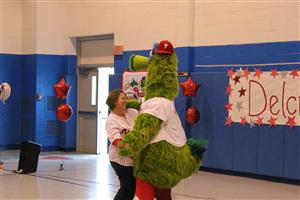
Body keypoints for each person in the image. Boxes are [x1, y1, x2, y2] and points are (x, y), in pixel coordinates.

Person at [105, 89, 138, 200]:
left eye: (125, 98)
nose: (125, 100)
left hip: (134, 158)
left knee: (131, 189)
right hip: (119, 159)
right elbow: (117, 142)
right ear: (114, 102)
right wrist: (133, 150)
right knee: (127, 188)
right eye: (122, 98)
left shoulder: (132, 112)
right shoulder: (111, 121)